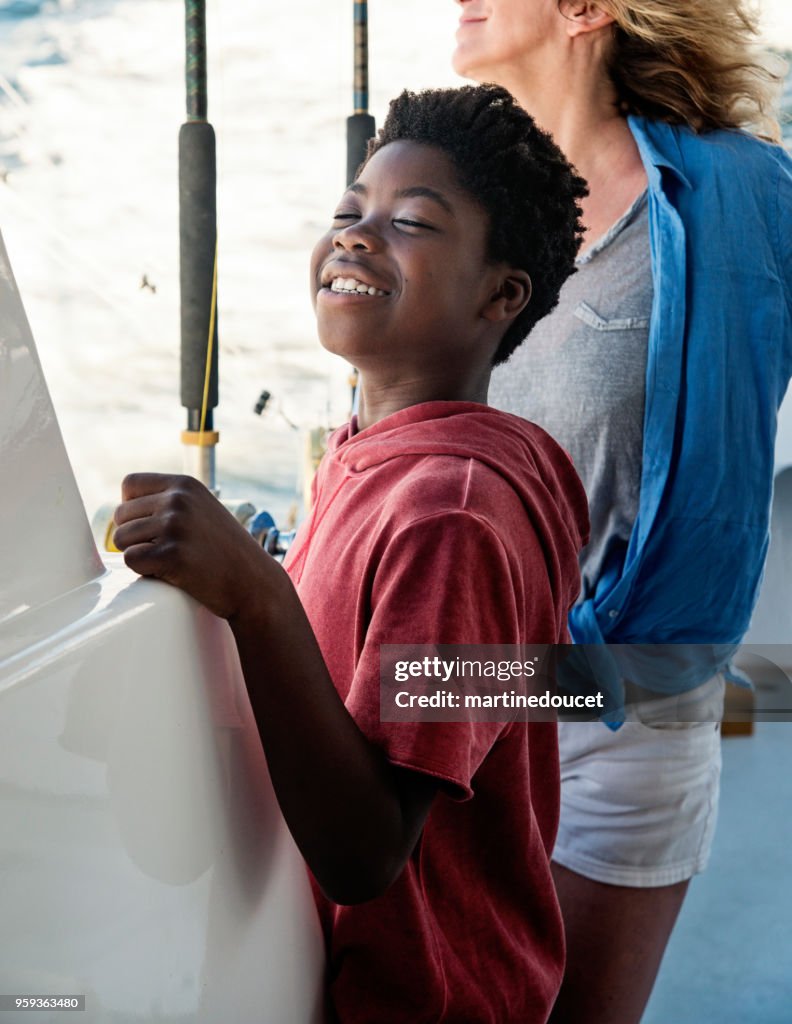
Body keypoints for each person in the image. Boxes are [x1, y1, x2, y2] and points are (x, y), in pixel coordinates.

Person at [114, 84, 590, 1023]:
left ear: (502, 294)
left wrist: (256, 595)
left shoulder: (454, 517)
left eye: (412, 222)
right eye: (348, 212)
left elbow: (367, 853)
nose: (358, 236)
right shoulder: (377, 453)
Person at [451, 2, 792, 1022]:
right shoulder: (451, 192)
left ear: (588, 11)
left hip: (624, 705)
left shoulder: (743, 194)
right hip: (462, 684)